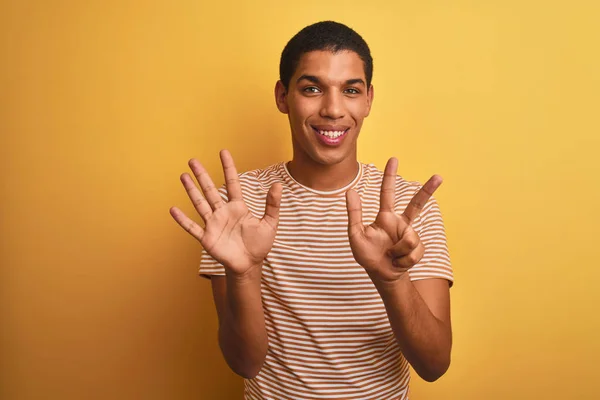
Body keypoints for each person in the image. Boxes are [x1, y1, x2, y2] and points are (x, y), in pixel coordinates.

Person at [170, 20, 453, 400]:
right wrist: (244, 274)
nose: (333, 109)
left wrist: (392, 282)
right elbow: (245, 362)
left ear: (368, 99)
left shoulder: (407, 208)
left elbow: (434, 365)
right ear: (283, 96)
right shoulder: (237, 209)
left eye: (350, 90)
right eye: (312, 88)